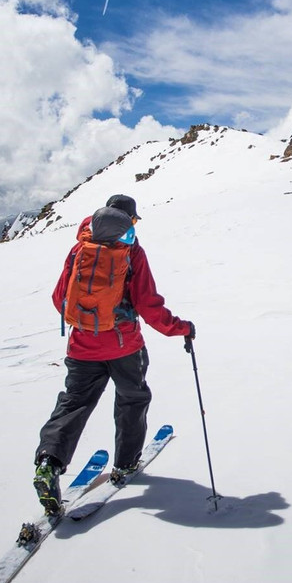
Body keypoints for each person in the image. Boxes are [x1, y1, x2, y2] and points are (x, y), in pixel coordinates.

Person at [33, 193, 194, 514]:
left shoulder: (80, 248)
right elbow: (149, 307)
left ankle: (49, 461)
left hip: (81, 346)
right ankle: (125, 464)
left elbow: (59, 298)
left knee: (74, 402)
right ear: (129, 220)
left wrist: (88, 320)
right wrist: (182, 328)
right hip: (125, 347)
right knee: (132, 399)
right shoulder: (132, 253)